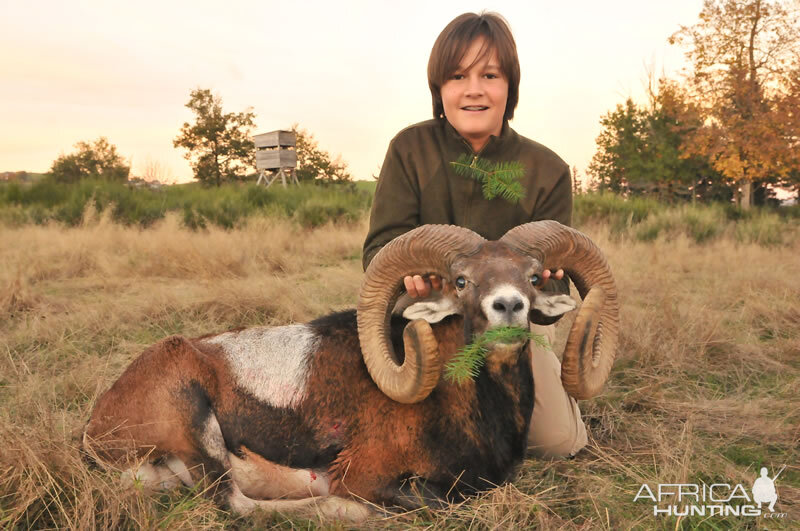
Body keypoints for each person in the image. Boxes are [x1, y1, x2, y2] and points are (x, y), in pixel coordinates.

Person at [362, 12, 587, 458]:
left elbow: (558, 285)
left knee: (556, 442)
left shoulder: (548, 171)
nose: (473, 89)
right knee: (405, 427)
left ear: (510, 87)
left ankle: (558, 397)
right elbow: (381, 249)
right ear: (439, 90)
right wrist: (411, 280)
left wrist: (543, 283)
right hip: (431, 318)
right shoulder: (410, 150)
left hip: (510, 328)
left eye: (490, 75)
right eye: (457, 76)